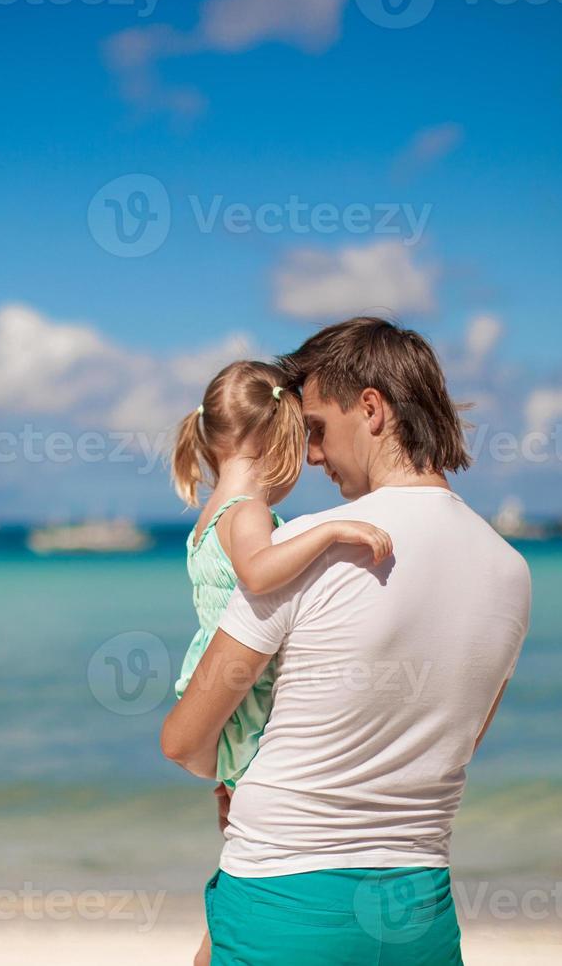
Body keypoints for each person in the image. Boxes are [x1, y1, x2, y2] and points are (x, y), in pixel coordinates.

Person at [161, 318, 532, 965]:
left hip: (283, 907)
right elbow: (455, 745)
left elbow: (184, 740)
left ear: (371, 409)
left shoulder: (309, 542)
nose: (308, 456)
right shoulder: (510, 571)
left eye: (316, 430)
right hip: (418, 915)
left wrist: (225, 773)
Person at [169, 358, 393, 965]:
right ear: (276, 441)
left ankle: (219, 945)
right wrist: (328, 532)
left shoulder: (208, 516)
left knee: (242, 850)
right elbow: (259, 573)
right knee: (259, 849)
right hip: (247, 697)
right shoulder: (248, 514)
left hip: (224, 694)